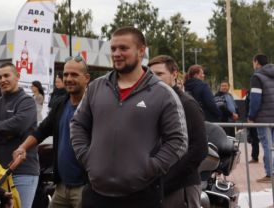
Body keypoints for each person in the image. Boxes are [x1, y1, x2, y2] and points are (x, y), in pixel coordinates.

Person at [71, 27, 188, 207]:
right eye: (113, 48)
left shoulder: (162, 93)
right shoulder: (96, 88)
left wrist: (150, 167)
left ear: (141, 51)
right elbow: (77, 124)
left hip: (141, 196)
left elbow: (178, 140)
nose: (117, 53)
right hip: (96, 195)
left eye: (123, 48)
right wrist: (87, 157)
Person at [10, 56, 90, 208]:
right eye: (66, 74)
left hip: (85, 187)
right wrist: (23, 148)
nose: (68, 78)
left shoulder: (94, 105)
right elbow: (41, 130)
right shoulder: (61, 104)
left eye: (74, 74)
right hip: (61, 186)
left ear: (86, 78)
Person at [148, 55, 207, 208]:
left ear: (174, 74)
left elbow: (199, 149)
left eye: (159, 74)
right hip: (158, 188)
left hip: (181, 188)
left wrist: (166, 180)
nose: (154, 79)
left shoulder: (187, 104)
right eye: (150, 75)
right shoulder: (154, 103)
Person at [0, 63, 39, 207]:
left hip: (23, 171)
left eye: (6, 75)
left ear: (17, 77)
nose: (3, 80)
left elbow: (18, 125)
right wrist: (6, 131)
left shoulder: (27, 102)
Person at [248, 53, 274, 183]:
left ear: (257, 62)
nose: (253, 65)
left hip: (264, 116)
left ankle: (270, 175)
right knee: (271, 145)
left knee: (267, 145)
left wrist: (251, 116)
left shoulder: (257, 76)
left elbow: (255, 99)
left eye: (253, 62)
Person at [244, 93, 260, 163]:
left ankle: (256, 157)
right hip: (251, 118)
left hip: (256, 119)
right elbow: (247, 107)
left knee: (256, 138)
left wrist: (250, 117)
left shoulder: (255, 92)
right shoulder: (248, 93)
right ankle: (254, 157)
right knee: (254, 139)